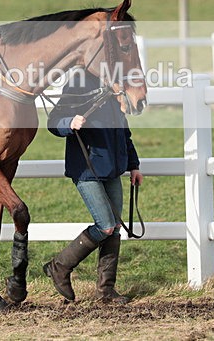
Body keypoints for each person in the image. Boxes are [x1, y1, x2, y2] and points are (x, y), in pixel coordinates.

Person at [43, 70, 144, 304]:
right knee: (106, 226)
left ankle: (106, 291)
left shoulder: (115, 86)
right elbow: (53, 121)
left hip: (113, 169)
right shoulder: (79, 83)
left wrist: (133, 165)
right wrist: (70, 122)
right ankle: (59, 266)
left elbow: (124, 133)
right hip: (86, 169)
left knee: (115, 228)